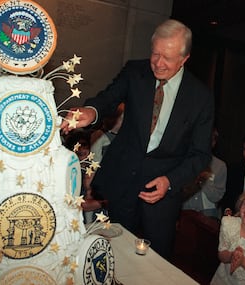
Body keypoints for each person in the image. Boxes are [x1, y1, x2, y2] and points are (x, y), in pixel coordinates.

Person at [61, 19, 214, 259]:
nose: (159, 64)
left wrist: (170, 181)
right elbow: (107, 99)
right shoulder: (135, 72)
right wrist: (91, 112)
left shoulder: (200, 97)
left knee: (156, 261)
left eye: (168, 58)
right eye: (155, 54)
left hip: (162, 193)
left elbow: (200, 154)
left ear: (185, 59)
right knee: (115, 253)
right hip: (122, 182)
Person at [182, 127, 227, 219]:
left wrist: (203, 180)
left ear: (213, 143)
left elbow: (217, 197)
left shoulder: (220, 166)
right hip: (185, 211)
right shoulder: (185, 160)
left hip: (208, 214)